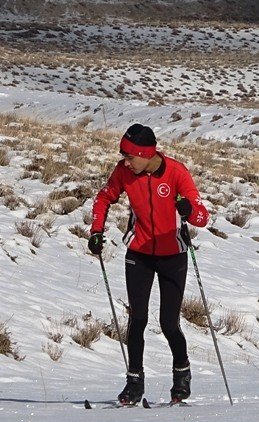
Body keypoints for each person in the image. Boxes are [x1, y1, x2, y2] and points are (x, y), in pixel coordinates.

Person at [89, 123, 211, 405]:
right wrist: (96, 231)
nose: (125, 162)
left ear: (145, 154)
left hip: (173, 256)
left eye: (130, 157)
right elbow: (104, 197)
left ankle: (181, 376)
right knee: (138, 319)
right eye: (123, 157)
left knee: (169, 323)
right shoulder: (124, 172)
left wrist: (189, 211)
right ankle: (134, 383)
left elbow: (202, 217)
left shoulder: (176, 172)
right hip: (139, 253)